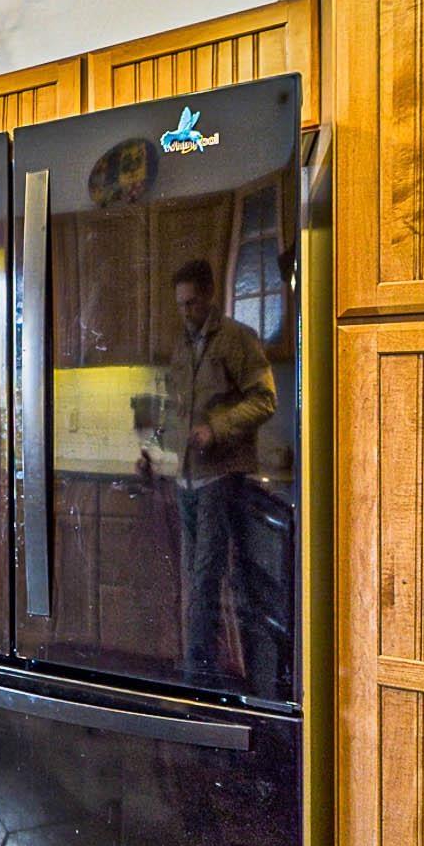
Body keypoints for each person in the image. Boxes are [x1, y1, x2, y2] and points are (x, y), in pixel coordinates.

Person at [149, 258, 277, 682]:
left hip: (221, 478)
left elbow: (264, 400)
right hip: (186, 480)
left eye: (191, 303)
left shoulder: (238, 340)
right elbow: (174, 411)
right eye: (180, 305)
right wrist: (151, 450)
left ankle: (198, 673)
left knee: (206, 578)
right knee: (195, 577)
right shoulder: (183, 346)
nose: (185, 312)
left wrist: (216, 429)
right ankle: (206, 667)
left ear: (209, 296)